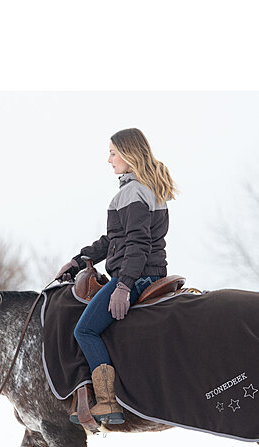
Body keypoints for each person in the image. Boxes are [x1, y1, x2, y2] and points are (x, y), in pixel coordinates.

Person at [55, 127, 177, 425]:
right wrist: (78, 260)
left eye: (112, 153)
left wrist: (123, 286)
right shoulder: (142, 188)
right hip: (147, 273)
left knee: (84, 330)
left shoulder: (132, 193)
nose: (109, 160)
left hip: (136, 277)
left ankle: (108, 401)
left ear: (128, 154)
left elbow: (137, 244)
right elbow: (112, 241)